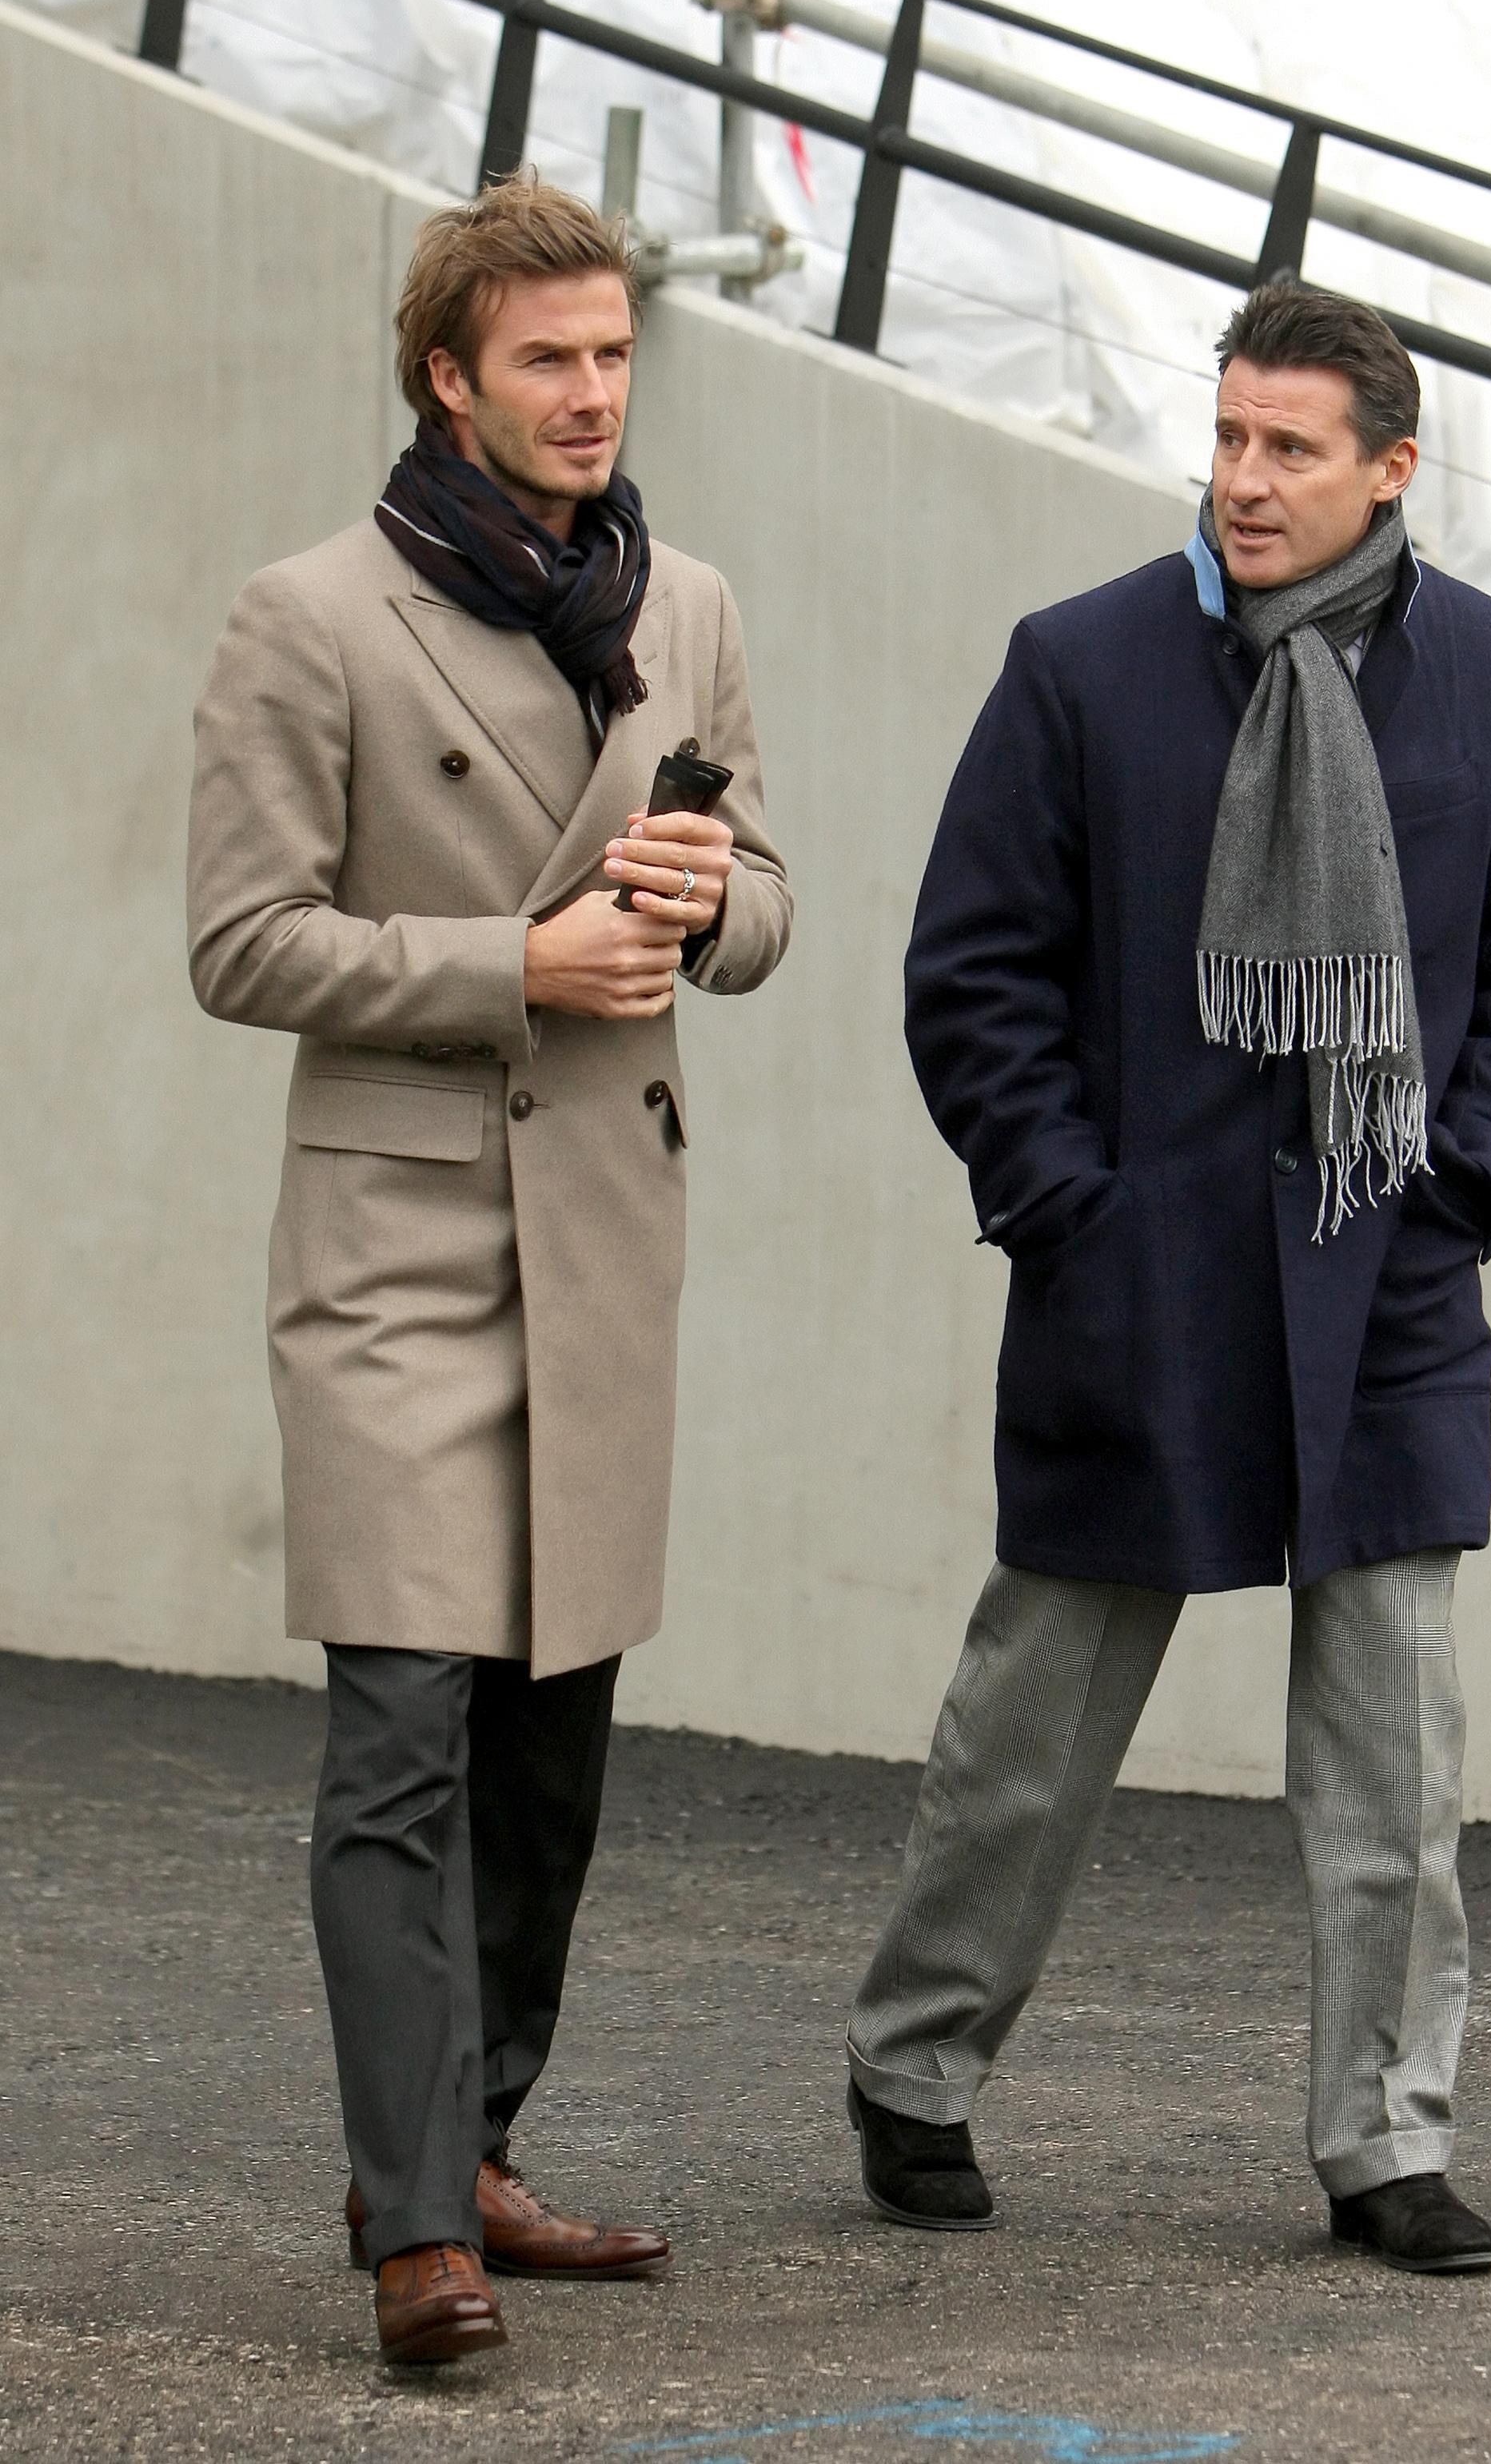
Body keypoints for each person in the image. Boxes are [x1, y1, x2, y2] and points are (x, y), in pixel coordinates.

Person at [844, 283, 1491, 2276]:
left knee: (1395, 1771)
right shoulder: (1083, 666)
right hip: (1143, 1278)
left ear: (1389, 470)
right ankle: (914, 2066)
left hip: (1393, 1287)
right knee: (1029, 1738)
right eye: (1231, 437)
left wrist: (1474, 1181)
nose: (1245, 480)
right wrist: (1066, 1208)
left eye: (1291, 448)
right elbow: (973, 973)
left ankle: (1384, 2138)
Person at [187, 174, 791, 2363]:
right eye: (548, 358)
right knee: (400, 1741)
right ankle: (412, 2220)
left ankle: (476, 2142)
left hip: (602, 1241)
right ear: (449, 375)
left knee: (555, 1749)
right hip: (400, 1238)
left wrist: (708, 896)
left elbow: (769, 899)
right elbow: (239, 941)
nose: (591, 393)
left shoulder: (687, 602)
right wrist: (504, 955)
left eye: (615, 355)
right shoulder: (311, 613)